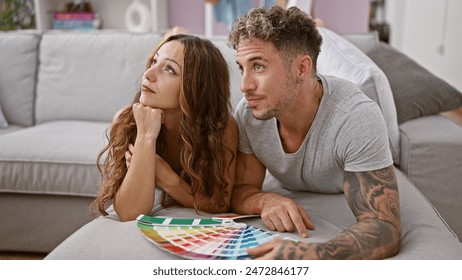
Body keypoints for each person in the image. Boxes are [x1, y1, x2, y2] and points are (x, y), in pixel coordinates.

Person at [228, 6, 401, 259]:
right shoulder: (249, 113)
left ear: (301, 68)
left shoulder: (355, 117)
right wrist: (264, 200)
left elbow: (385, 226)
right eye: (242, 68)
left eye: (258, 67)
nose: (245, 86)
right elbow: (241, 189)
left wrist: (314, 254)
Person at [91, 33, 238, 221]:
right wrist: (146, 135)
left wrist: (165, 177)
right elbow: (130, 213)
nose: (148, 74)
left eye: (169, 69)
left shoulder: (222, 128)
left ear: (196, 88)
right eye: (154, 62)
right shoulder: (127, 120)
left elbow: (219, 204)